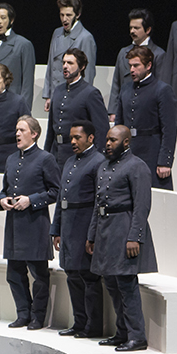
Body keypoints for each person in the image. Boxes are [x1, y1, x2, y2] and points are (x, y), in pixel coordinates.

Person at [89, 124, 156, 351]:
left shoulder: (137, 166)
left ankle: (137, 336)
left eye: (113, 141)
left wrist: (135, 236)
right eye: (107, 140)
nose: (107, 144)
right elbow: (98, 204)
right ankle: (122, 332)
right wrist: (92, 235)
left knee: (126, 284)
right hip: (106, 230)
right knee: (111, 283)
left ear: (126, 142)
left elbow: (142, 206)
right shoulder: (104, 166)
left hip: (124, 228)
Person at [0, 114, 58, 329]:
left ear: (34, 134)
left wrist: (31, 200)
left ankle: (37, 317)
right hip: (14, 225)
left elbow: (55, 192)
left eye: (22, 130)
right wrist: (2, 200)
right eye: (16, 130)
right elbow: (4, 188)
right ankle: (23, 313)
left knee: (39, 276)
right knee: (14, 274)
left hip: (35, 225)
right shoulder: (12, 158)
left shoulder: (45, 158)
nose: (17, 134)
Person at [51, 122, 103, 338]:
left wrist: (91, 234)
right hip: (69, 226)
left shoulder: (98, 161)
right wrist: (56, 229)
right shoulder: (70, 161)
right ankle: (79, 322)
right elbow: (61, 198)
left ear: (90, 138)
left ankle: (94, 325)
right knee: (72, 276)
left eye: (77, 137)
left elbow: (98, 202)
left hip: (84, 226)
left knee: (88, 277)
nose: (72, 141)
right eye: (71, 137)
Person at [113, 46, 177, 190]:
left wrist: (165, 162)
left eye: (136, 66)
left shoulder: (162, 90)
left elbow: (169, 129)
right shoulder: (125, 89)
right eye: (130, 66)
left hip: (152, 153)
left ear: (149, 66)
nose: (131, 70)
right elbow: (119, 125)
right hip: (129, 153)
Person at [45, 49, 107, 167]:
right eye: (63, 63)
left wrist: (99, 160)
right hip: (56, 153)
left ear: (82, 66)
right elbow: (51, 129)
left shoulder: (90, 93)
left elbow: (101, 129)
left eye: (70, 63)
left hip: (78, 155)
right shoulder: (58, 90)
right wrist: (47, 154)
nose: (65, 66)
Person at [107, 9, 168, 122]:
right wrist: (113, 111)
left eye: (136, 28)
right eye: (131, 28)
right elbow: (116, 84)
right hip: (125, 109)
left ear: (148, 29)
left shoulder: (158, 54)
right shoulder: (123, 53)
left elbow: (161, 86)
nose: (132, 31)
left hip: (146, 111)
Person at [42, 0, 96, 112]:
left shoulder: (85, 37)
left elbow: (89, 72)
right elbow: (51, 65)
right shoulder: (57, 33)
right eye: (62, 15)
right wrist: (48, 95)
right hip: (57, 92)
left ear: (77, 15)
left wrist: (84, 99)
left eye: (68, 15)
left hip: (74, 95)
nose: (64, 19)